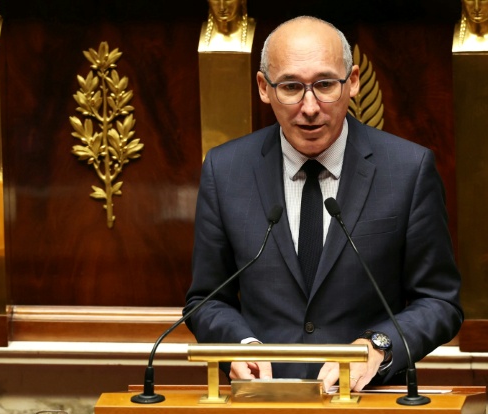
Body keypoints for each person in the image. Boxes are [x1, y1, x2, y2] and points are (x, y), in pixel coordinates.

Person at [185, 16, 462, 392]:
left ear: (354, 82)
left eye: (326, 85)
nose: (310, 106)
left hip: (370, 405)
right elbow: (206, 299)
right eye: (292, 87)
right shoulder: (226, 170)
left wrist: (378, 346)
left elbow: (440, 301)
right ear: (264, 88)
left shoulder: (408, 170)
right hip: (261, 406)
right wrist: (240, 346)